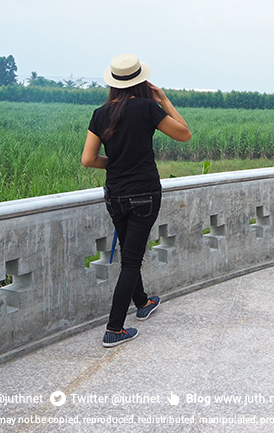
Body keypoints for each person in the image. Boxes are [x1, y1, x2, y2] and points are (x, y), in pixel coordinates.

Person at [82, 54, 191, 347]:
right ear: (141, 80)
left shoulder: (100, 113)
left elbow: (88, 159)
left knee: (129, 254)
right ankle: (114, 329)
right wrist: (164, 100)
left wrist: (116, 163)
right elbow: (184, 134)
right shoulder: (146, 108)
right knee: (131, 260)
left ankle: (142, 302)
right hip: (144, 193)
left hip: (115, 194)